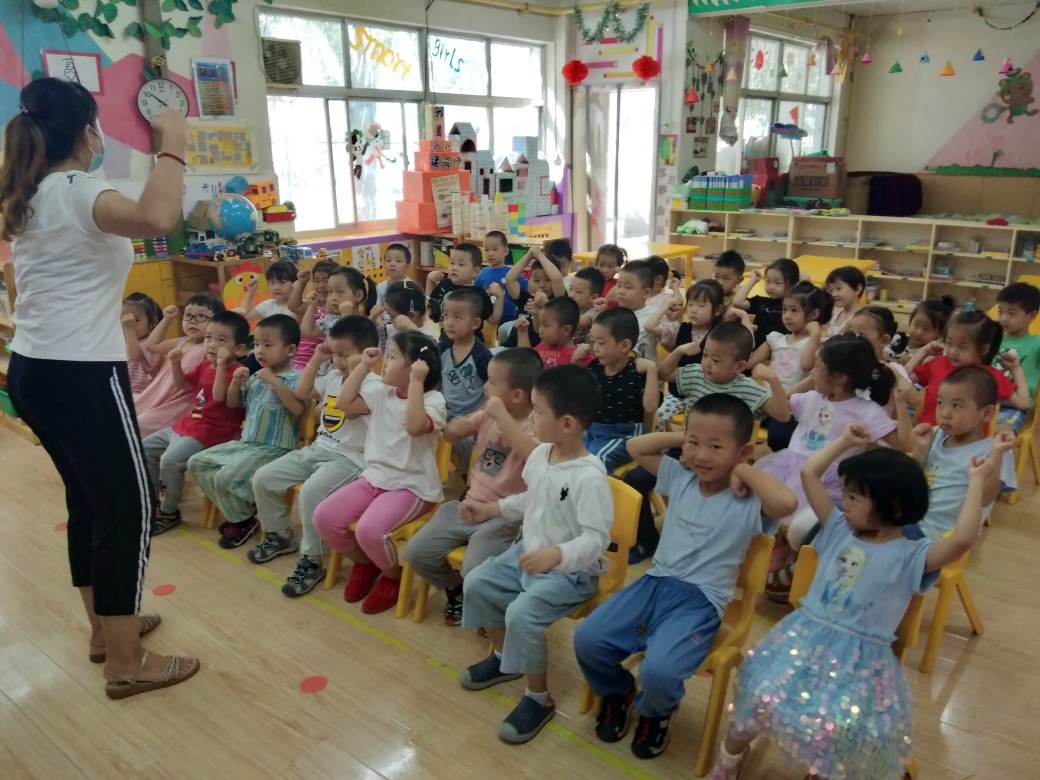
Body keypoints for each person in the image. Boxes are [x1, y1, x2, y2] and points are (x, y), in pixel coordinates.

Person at [0, 78, 198, 697]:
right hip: (81, 373)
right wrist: (173, 139)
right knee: (128, 509)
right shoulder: (77, 188)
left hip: (33, 368)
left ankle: (104, 632)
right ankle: (126, 663)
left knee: (89, 503)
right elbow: (158, 216)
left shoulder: (31, 191)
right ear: (86, 132)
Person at [709, 423, 1013, 780]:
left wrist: (976, 482)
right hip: (803, 640)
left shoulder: (912, 555)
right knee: (757, 693)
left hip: (860, 663)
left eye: (854, 497)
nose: (845, 502)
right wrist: (844, 441)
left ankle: (822, 769)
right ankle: (729, 758)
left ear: (893, 507)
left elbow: (962, 540)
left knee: (841, 727)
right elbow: (809, 473)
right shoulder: (838, 528)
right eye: (847, 494)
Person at [574, 395, 797, 759]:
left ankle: (656, 713)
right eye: (696, 443)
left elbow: (787, 504)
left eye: (716, 447)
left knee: (660, 672)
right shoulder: (681, 476)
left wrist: (744, 471)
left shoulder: (749, 498)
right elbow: (636, 446)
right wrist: (688, 440)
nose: (703, 455)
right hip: (654, 582)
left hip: (701, 600)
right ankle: (618, 691)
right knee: (588, 639)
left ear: (743, 451)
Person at [457, 364, 613, 744]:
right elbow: (531, 499)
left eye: (538, 410)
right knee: (476, 582)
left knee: (521, 614)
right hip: (529, 554)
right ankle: (503, 657)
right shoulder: (543, 454)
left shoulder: (589, 477)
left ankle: (538, 698)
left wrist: (557, 555)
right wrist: (491, 509)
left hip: (571, 572)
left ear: (568, 424)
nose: (531, 416)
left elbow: (596, 539)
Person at [404, 348, 542, 626]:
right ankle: (454, 588)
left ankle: (490, 608)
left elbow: (537, 458)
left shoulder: (536, 426)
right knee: (416, 553)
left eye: (492, 382)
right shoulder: (488, 414)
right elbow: (451, 435)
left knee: (474, 569)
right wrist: (458, 427)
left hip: (503, 516)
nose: (484, 387)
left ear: (516, 395)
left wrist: (502, 417)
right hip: (467, 505)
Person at [312, 331, 447, 614]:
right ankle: (367, 563)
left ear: (416, 368)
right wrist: (363, 366)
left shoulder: (434, 400)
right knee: (324, 517)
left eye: (393, 356)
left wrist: (416, 384)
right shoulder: (381, 392)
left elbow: (414, 427)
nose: (385, 362)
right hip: (374, 478)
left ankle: (392, 575)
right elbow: (344, 403)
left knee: (369, 531)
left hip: (412, 487)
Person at [246, 316, 380, 597]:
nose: (338, 361)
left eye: (345, 355)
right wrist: (317, 359)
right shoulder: (333, 376)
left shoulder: (374, 386)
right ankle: (280, 535)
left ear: (368, 353)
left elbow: (349, 409)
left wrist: (356, 370)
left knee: (310, 493)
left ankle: (312, 559)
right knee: (264, 478)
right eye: (336, 354)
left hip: (351, 460)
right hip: (319, 448)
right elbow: (302, 391)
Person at [756, 335, 907, 550]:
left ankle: (787, 556)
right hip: (787, 469)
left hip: (824, 481)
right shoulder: (811, 398)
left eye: (817, 367)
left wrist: (900, 404)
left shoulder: (867, 411)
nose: (811, 372)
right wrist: (793, 381)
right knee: (765, 514)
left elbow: (905, 445)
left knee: (796, 529)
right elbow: (780, 407)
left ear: (839, 377)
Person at [187, 314, 303, 548]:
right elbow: (233, 403)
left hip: (274, 448)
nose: (259, 351)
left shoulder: (295, 378)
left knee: (225, 478)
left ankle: (240, 519)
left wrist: (273, 380)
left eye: (268, 345)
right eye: (257, 344)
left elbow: (298, 408)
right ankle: (243, 514)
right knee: (196, 463)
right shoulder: (256, 377)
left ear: (290, 350)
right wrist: (236, 382)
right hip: (247, 444)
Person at [143, 311, 250, 534]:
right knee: (145, 447)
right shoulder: (204, 366)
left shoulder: (236, 372)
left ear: (239, 349)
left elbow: (219, 397)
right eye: (209, 338)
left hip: (212, 431)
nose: (211, 344)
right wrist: (175, 363)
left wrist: (221, 365)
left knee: (171, 461)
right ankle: (154, 500)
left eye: (221, 340)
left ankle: (169, 510)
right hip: (189, 424)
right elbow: (181, 384)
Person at [912, 367, 1017, 540]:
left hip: (938, 538)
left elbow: (985, 499)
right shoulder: (934, 435)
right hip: (909, 521)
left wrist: (997, 454)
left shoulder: (995, 450)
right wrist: (920, 449)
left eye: (956, 405)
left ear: (986, 413)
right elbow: (910, 481)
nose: (944, 413)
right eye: (940, 403)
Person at [906, 309, 1029, 427]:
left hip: (969, 441)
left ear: (983, 349)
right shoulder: (938, 363)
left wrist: (1015, 368)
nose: (952, 351)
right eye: (949, 343)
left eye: (961, 347)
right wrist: (924, 351)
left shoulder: (990, 377)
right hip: (928, 434)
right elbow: (905, 378)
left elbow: (1023, 403)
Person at [746, 282, 829, 451]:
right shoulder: (776, 338)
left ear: (814, 314)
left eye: (794, 310)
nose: (787, 316)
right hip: (766, 403)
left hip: (793, 408)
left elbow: (807, 365)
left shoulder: (816, 343)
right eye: (784, 310)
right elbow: (748, 362)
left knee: (779, 437)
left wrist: (815, 334)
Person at [573, 308, 658, 469]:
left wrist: (652, 370)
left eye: (601, 343)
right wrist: (576, 364)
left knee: (594, 461)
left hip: (625, 435)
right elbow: (576, 396)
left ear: (624, 345)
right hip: (593, 429)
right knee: (565, 452)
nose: (595, 348)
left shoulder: (637, 372)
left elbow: (651, 407)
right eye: (593, 341)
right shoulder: (594, 367)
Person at [135, 293, 225, 438]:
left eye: (201, 316)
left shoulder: (209, 348)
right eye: (188, 315)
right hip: (159, 395)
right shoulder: (182, 341)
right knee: (128, 414)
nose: (193, 321)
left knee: (138, 424)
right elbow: (153, 344)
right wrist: (167, 319)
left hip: (180, 403)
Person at [649, 279, 725, 428]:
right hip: (679, 393)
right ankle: (668, 443)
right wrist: (667, 305)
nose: (694, 310)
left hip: (707, 395)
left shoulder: (721, 334)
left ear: (717, 310)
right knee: (659, 416)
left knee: (698, 424)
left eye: (701, 305)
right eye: (690, 304)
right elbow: (649, 326)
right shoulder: (679, 328)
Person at [440, 288, 493, 469]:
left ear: (475, 323)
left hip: (473, 416)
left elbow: (495, 393)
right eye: (446, 315)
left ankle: (468, 475)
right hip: (445, 413)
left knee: (463, 440)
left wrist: (473, 417)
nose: (449, 322)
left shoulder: (481, 355)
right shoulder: (442, 348)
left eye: (457, 317)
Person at [492, 245, 567, 348]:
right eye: (536, 280)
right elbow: (510, 278)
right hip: (511, 347)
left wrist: (540, 255)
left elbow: (557, 278)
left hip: (531, 352)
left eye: (548, 280)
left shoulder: (557, 300)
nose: (542, 285)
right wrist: (529, 255)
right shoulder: (526, 298)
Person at [992, 281, 1040, 431]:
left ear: (1031, 316)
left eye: (1011, 313)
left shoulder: (1036, 343)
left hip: (1014, 407)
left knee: (1000, 432)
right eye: (1000, 311)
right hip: (986, 400)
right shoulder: (993, 338)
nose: (1003, 318)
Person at [426, 242, 499, 341]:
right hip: (446, 341)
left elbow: (493, 319)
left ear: (475, 272)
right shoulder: (444, 285)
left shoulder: (478, 294)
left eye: (461, 264)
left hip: (471, 343)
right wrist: (430, 282)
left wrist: (499, 297)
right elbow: (430, 309)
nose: (454, 268)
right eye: (452, 263)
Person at [732, 257, 800, 348]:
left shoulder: (793, 307)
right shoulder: (760, 302)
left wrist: (804, 282)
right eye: (768, 281)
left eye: (778, 283)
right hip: (756, 350)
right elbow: (737, 302)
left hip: (780, 352)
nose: (771, 287)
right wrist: (753, 280)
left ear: (792, 284)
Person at [289, 258, 340, 369]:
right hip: (301, 359)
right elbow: (293, 306)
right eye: (316, 281)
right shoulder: (314, 304)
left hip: (320, 363)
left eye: (326, 280)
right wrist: (301, 283)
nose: (320, 285)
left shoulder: (337, 308)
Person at [886, 296, 954, 365]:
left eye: (926, 329)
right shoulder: (898, 339)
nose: (919, 332)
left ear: (940, 333)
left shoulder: (934, 354)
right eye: (916, 325)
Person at [518, 295, 583, 367]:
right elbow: (525, 364)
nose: (540, 330)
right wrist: (522, 332)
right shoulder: (541, 346)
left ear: (566, 330)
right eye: (541, 324)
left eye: (545, 325)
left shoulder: (578, 356)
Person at [612, 259, 658, 360]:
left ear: (646, 293)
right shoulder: (613, 314)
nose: (621, 291)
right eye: (618, 285)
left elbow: (669, 341)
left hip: (645, 368)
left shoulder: (654, 315)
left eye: (628, 287)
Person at [371, 242, 412, 349]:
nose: (392, 264)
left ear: (407, 266)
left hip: (403, 324)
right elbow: (377, 309)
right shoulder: (380, 287)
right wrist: (380, 324)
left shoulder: (411, 287)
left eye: (398, 261)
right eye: (388, 260)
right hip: (384, 326)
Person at [121, 292, 163, 396]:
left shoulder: (151, 343)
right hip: (126, 391)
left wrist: (130, 329)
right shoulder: (123, 343)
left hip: (144, 393)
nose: (127, 324)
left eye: (135, 320)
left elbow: (135, 356)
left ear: (153, 322)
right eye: (123, 320)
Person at [476, 230, 519, 323]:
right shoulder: (483, 273)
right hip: (488, 318)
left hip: (510, 318)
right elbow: (476, 292)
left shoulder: (512, 273)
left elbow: (527, 290)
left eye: (495, 249)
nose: (490, 253)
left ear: (506, 251)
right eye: (486, 250)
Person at [824, 265, 866, 337]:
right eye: (830, 290)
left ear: (857, 289)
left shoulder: (863, 318)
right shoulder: (835, 315)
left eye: (839, 288)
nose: (834, 294)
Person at [569, 266, 606, 346]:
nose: (571, 295)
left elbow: (577, 322)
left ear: (593, 297)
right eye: (571, 289)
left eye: (578, 292)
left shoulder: (594, 313)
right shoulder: (569, 307)